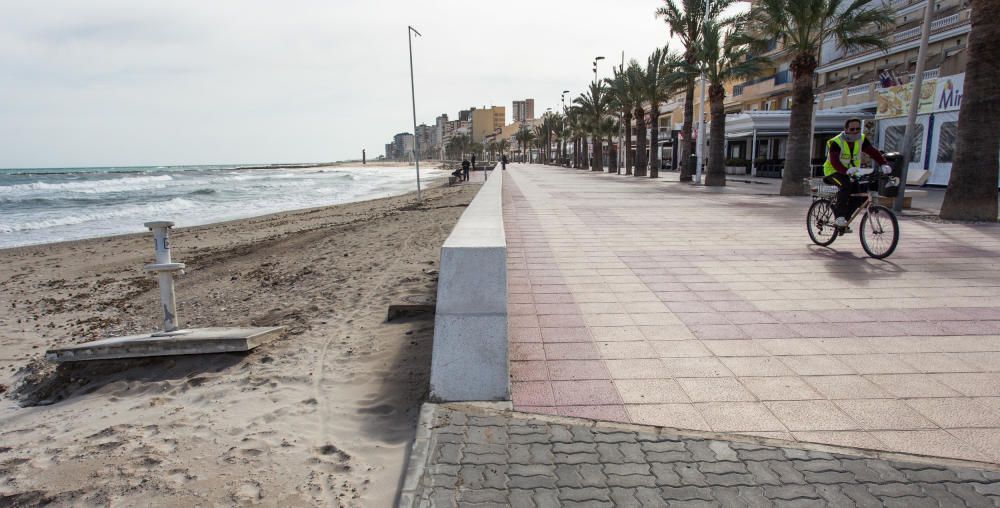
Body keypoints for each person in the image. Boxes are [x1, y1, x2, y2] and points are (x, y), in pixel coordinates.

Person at [823, 118, 893, 227]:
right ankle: (839, 217)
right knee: (845, 186)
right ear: (846, 129)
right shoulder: (836, 142)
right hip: (833, 172)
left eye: (858, 129)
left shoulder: (862, 139)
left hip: (851, 172)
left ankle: (844, 221)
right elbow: (834, 162)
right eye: (852, 129)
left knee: (858, 197)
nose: (855, 131)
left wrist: (883, 164)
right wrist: (845, 170)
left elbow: (873, 152)